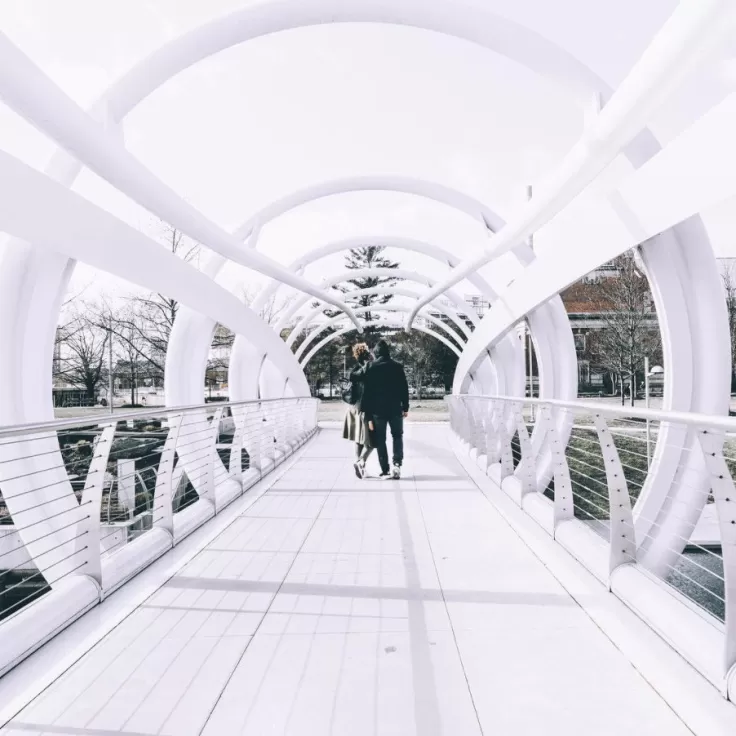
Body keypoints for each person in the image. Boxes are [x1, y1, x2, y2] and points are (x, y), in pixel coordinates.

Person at [361, 338, 409, 479]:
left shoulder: (371, 367)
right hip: (395, 409)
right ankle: (397, 464)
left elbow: (367, 393)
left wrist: (368, 416)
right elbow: (404, 389)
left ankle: (385, 470)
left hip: (377, 411)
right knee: (397, 436)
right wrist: (405, 407)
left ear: (376, 352)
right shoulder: (397, 366)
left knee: (381, 439)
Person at [341, 342, 373, 478]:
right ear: (366, 354)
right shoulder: (367, 369)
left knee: (358, 440)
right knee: (372, 440)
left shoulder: (353, 370)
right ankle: (361, 462)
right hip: (364, 408)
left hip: (353, 408)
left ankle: (359, 464)